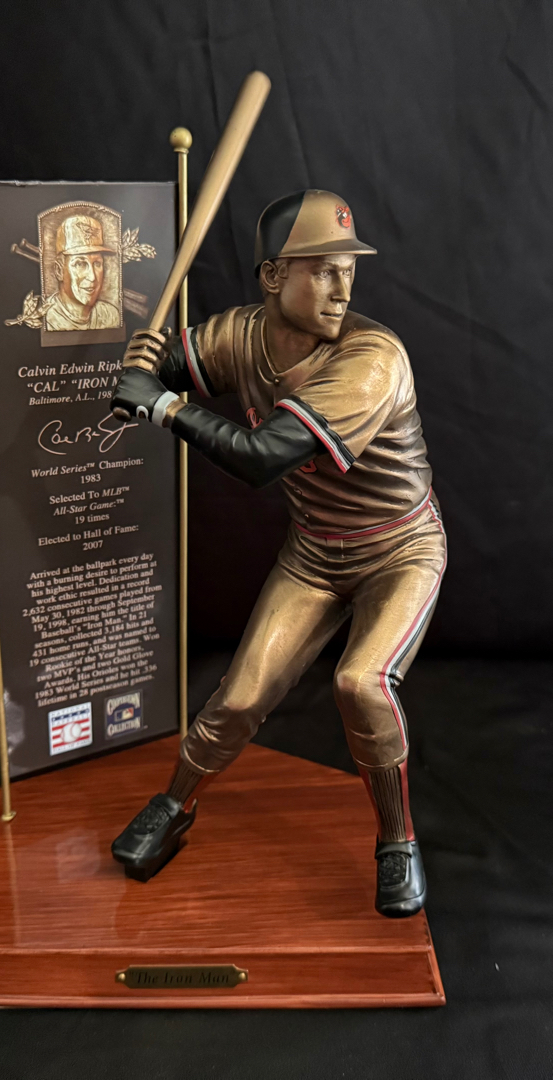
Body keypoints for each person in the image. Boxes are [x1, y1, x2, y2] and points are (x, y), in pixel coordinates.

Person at [109, 189, 446, 918]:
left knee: (360, 684)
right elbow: (173, 366)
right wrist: (147, 362)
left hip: (398, 550)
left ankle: (397, 839)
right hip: (315, 553)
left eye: (347, 270)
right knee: (238, 696)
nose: (342, 287)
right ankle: (174, 805)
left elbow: (262, 457)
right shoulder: (243, 334)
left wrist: (158, 404)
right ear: (271, 276)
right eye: (322, 270)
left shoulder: (372, 359)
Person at [42, 213, 120, 331]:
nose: (92, 277)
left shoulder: (110, 315)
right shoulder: (47, 319)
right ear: (59, 271)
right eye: (80, 264)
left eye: (97, 264)